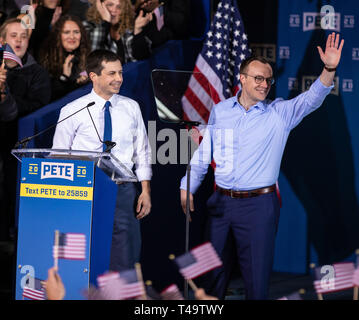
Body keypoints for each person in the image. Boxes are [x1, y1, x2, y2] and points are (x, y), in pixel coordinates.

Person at [179, 32, 344, 300]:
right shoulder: (221, 111)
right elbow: (204, 153)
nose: (264, 84)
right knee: (211, 278)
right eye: (258, 78)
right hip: (220, 203)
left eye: (268, 80)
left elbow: (313, 97)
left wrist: (329, 69)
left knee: (256, 280)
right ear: (242, 79)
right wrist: (187, 187)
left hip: (258, 207)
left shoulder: (279, 114)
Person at [52, 49, 152, 271]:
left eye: (120, 73)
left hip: (122, 191)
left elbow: (142, 150)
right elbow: (58, 155)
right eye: (112, 73)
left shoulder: (131, 107)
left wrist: (145, 190)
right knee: (82, 251)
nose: (119, 79)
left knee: (124, 253)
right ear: (93, 76)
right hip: (83, 191)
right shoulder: (73, 110)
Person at [0, 18, 51, 241]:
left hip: (15, 148)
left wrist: (4, 94)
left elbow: (37, 108)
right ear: (2, 41)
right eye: (13, 36)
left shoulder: (37, 74)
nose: (19, 41)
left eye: (23, 36)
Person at [83, 0, 153, 64]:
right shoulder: (88, 26)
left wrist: (138, 31)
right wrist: (105, 23)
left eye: (119, 7)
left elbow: (142, 58)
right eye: (110, 5)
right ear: (100, 7)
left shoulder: (128, 29)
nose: (114, 10)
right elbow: (93, 58)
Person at [39, 14, 90, 101]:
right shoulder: (46, 58)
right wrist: (64, 76)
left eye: (76, 32)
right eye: (66, 32)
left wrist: (81, 81)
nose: (72, 37)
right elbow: (50, 96)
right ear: (58, 35)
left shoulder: (86, 55)